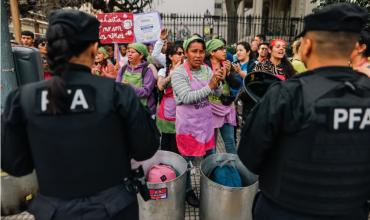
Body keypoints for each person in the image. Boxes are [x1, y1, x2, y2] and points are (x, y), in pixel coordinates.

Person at [1, 9, 159, 220]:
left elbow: (14, 165)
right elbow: (145, 149)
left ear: (50, 47)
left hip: (54, 212)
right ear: (94, 47)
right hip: (114, 210)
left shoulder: (23, 98)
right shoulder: (118, 94)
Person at [238, 3, 370, 219]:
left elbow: (249, 157)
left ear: (307, 46)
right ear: (353, 47)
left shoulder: (287, 94)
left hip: (285, 210)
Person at [171, 36, 223, 207]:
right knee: (185, 162)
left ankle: (211, 188)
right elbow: (186, 97)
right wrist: (210, 86)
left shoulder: (207, 69)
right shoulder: (179, 73)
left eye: (201, 51)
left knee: (210, 159)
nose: (199, 55)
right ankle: (187, 191)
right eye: (194, 51)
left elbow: (218, 93)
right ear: (186, 53)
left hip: (205, 124)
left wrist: (219, 79)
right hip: (188, 127)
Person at [205, 38, 240, 154]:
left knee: (230, 141)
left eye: (224, 48)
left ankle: (234, 168)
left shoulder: (226, 64)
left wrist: (228, 73)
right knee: (211, 144)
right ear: (212, 52)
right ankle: (212, 170)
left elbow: (236, 84)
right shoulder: (204, 67)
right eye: (220, 49)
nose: (224, 51)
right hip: (210, 109)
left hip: (227, 107)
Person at [156, 43, 185, 154]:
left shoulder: (188, 70)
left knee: (179, 142)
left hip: (183, 109)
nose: (182, 55)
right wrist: (172, 74)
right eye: (179, 53)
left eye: (183, 53)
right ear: (170, 56)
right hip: (168, 109)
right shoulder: (164, 71)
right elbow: (160, 85)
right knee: (166, 141)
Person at [116, 43, 157, 115]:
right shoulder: (123, 68)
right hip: (127, 108)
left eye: (133, 52)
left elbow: (146, 92)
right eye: (128, 51)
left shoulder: (147, 70)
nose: (129, 54)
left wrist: (130, 87)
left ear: (141, 55)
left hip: (143, 110)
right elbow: (117, 86)